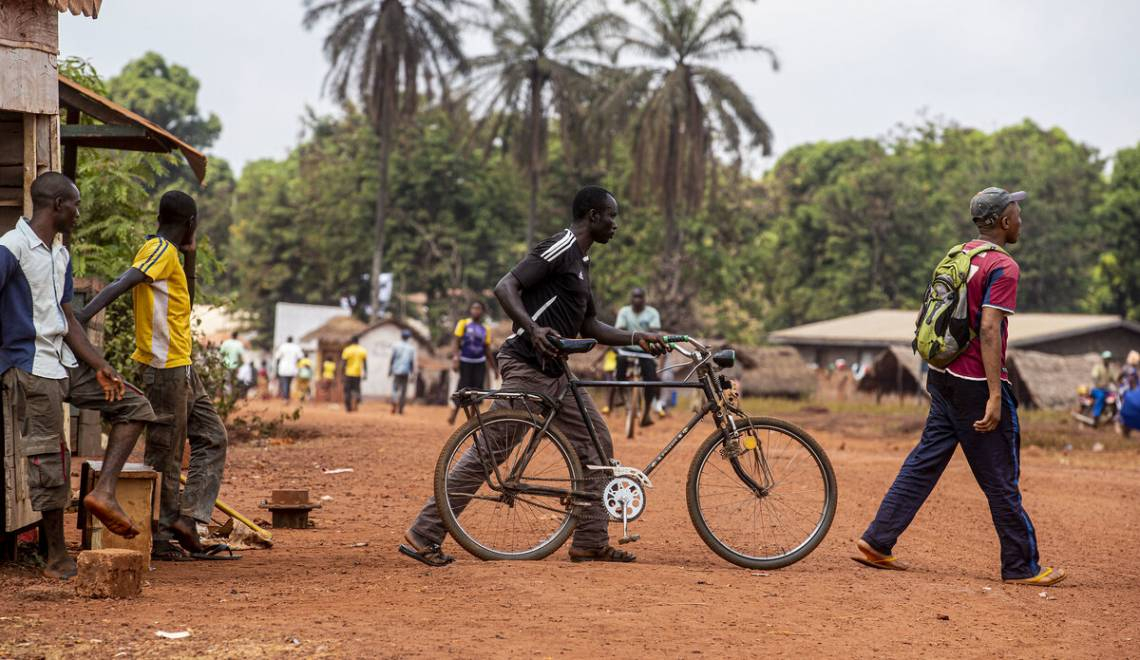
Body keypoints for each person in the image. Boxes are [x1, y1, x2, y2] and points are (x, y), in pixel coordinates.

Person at [399, 185, 669, 567]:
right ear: (592, 216)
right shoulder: (561, 246)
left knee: (597, 443)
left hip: (555, 373)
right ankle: (423, 533)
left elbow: (589, 324)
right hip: (526, 364)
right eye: (611, 216)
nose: (615, 225)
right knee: (490, 451)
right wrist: (533, 328)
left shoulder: (582, 264)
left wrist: (638, 337)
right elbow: (505, 286)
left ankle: (590, 539)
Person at [855, 187, 1065, 586]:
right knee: (1000, 475)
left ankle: (877, 542)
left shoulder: (958, 255)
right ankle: (1021, 566)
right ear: (1003, 222)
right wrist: (993, 394)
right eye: (1017, 214)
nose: (1022, 220)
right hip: (973, 383)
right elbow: (989, 328)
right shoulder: (1004, 267)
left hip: (942, 375)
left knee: (924, 461)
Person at [2, 173, 157, 578]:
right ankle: (55, 556)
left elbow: (67, 318)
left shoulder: (59, 254)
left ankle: (103, 491)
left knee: (135, 404)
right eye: (75, 204)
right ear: (57, 204)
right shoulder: (11, 248)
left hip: (65, 363)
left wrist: (102, 366)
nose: (78, 212)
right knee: (50, 456)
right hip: (31, 367)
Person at [77, 190, 236, 562]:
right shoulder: (159, 250)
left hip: (182, 365)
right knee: (165, 450)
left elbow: (188, 304)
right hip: (164, 368)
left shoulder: (172, 256)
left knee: (213, 437)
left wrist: (191, 255)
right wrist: (82, 319)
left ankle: (188, 518)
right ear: (190, 223)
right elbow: (123, 281)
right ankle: (162, 536)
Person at [614, 287, 664, 426]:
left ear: (644, 299)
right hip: (626, 349)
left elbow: (655, 331)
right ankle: (623, 396)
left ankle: (647, 411)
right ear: (631, 298)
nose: (637, 300)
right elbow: (619, 330)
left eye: (640, 297)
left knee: (651, 379)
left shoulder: (652, 313)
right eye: (635, 297)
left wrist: (647, 336)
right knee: (619, 368)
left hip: (645, 351)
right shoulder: (624, 312)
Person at [447, 301, 498, 424]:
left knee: (477, 391)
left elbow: (487, 349)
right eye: (474, 308)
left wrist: (495, 369)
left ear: (483, 311)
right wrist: (455, 358)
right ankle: (453, 414)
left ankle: (472, 420)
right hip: (465, 361)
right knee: (462, 388)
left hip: (479, 363)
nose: (476, 311)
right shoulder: (463, 324)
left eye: (479, 308)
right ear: (470, 310)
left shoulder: (485, 328)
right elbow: (456, 342)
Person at [389, 329, 416, 415]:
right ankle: (400, 409)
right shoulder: (411, 348)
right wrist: (412, 373)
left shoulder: (396, 345)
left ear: (401, 336)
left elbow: (392, 358)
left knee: (395, 388)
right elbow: (411, 362)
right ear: (408, 338)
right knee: (403, 391)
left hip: (396, 370)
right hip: (405, 371)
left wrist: (390, 369)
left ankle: (394, 402)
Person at [1089, 351, 1117, 426]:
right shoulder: (1098, 367)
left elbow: (1114, 380)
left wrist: (1118, 385)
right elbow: (1094, 376)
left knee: (1115, 396)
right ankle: (1096, 416)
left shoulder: (1110, 369)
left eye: (1109, 359)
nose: (1108, 360)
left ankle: (1113, 415)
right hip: (1096, 389)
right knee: (1101, 397)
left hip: (1106, 390)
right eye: (1106, 358)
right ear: (1103, 359)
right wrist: (1098, 382)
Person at [341, 336, 367, 412]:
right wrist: (365, 373)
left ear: (351, 341)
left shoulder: (347, 350)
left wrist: (342, 373)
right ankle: (355, 404)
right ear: (358, 341)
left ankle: (348, 407)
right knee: (356, 390)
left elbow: (343, 363)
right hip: (357, 373)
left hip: (348, 373)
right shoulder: (362, 350)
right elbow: (365, 363)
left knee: (347, 391)